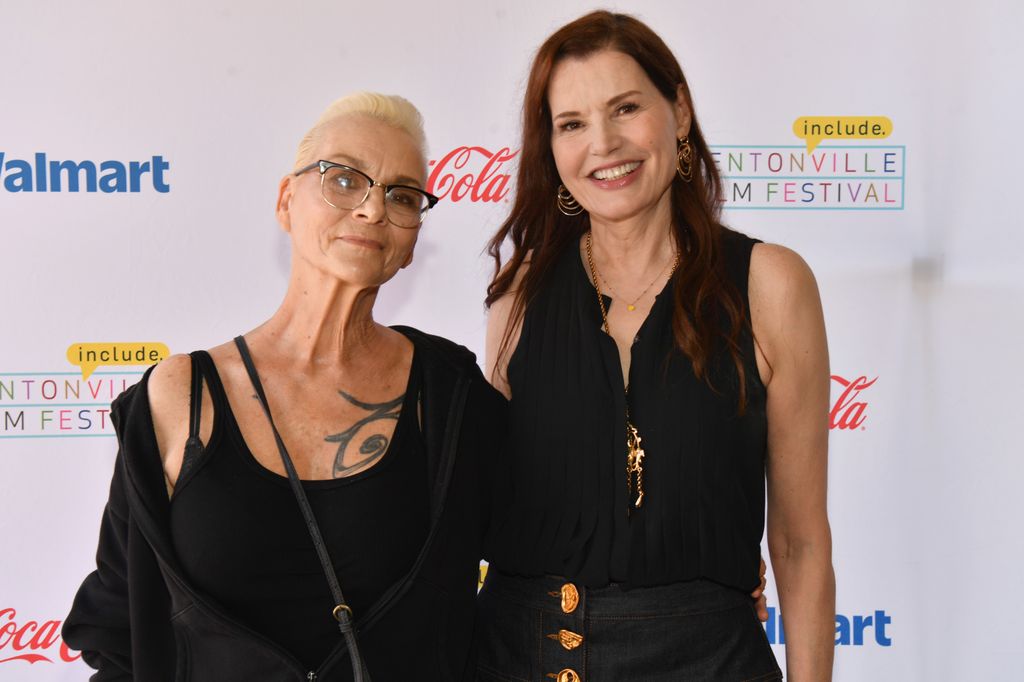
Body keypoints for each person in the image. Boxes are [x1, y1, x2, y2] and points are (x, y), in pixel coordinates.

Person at [62, 92, 506, 681]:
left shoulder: (449, 393)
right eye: (344, 180)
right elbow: (119, 633)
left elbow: (541, 563)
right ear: (286, 200)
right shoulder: (178, 396)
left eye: (401, 195)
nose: (373, 209)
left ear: (414, 234)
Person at [478, 11, 835, 682]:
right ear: (550, 148)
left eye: (626, 108)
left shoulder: (770, 285)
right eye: (572, 123)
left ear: (679, 112)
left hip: (709, 661)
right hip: (518, 657)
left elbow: (800, 541)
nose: (603, 144)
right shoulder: (519, 293)